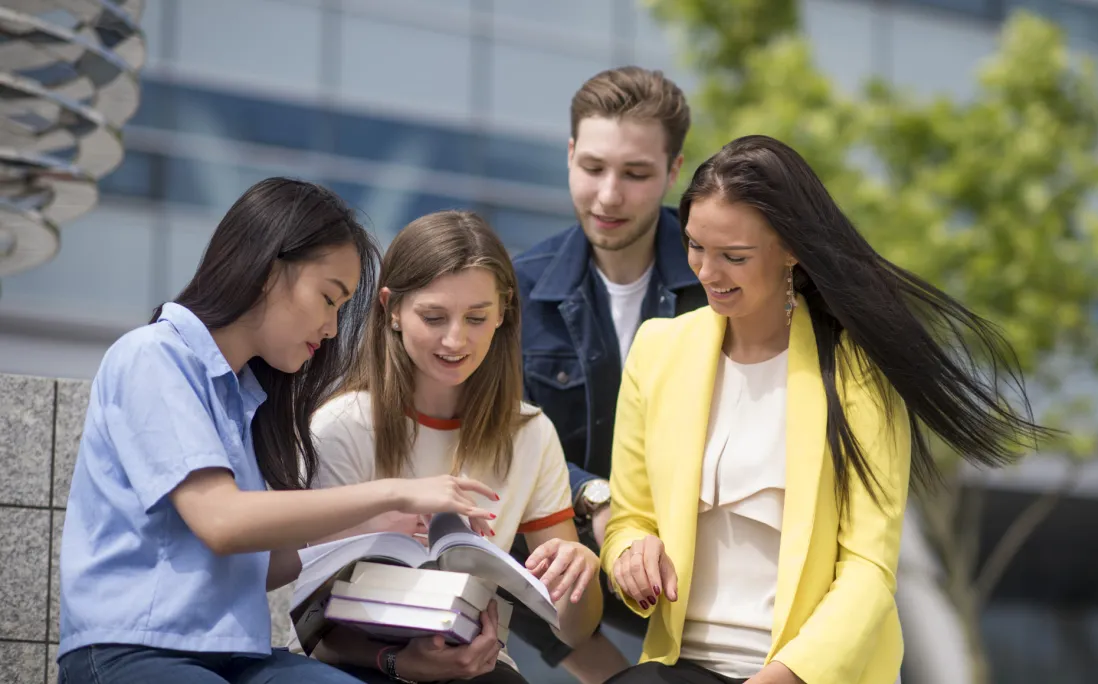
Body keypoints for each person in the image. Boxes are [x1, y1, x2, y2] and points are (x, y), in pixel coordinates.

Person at [601, 135, 1054, 684]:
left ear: (792, 249)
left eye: (734, 257)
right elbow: (630, 518)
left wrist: (785, 676)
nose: (708, 272)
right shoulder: (657, 350)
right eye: (696, 246)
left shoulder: (859, 375)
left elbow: (867, 571)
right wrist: (629, 554)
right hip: (677, 667)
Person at [56, 179, 499, 684]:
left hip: (234, 656)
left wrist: (374, 527)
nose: (333, 328)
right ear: (269, 271)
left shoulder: (242, 396)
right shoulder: (152, 356)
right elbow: (222, 521)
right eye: (329, 299)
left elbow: (255, 567)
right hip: (132, 651)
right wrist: (394, 490)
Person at [298, 210, 604, 684]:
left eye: (477, 318)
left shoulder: (530, 433)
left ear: (503, 312)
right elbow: (312, 626)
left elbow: (573, 631)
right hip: (359, 666)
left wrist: (579, 573)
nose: (455, 339)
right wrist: (402, 663)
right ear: (392, 309)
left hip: (476, 667)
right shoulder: (341, 427)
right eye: (433, 316)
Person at [511, 65, 707, 684]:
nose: (609, 196)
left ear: (675, 172)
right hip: (575, 566)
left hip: (700, 560)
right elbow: (496, 436)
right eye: (593, 167)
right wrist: (594, 498)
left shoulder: (721, 279)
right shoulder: (518, 287)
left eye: (637, 173)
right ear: (570, 154)